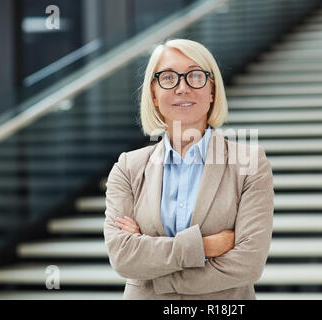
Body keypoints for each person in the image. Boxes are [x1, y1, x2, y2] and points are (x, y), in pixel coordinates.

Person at [103, 38, 274, 299]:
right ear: (154, 94)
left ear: (212, 91)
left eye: (195, 76)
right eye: (169, 78)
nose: (182, 88)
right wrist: (204, 247)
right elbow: (123, 257)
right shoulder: (128, 168)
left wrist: (157, 276)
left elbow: (248, 263)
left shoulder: (249, 164)